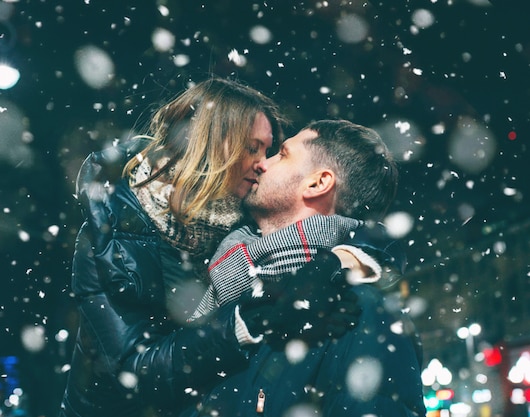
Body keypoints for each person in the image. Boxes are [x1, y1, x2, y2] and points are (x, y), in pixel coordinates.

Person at [59, 79, 364, 417]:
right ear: (211, 144)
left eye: (267, 150)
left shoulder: (243, 226)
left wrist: (348, 258)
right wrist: (245, 324)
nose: (263, 163)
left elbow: (340, 226)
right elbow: (131, 373)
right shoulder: (111, 233)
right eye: (252, 148)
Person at [184, 119, 426, 416]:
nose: (262, 164)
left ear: (317, 183)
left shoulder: (358, 312)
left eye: (282, 154)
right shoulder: (230, 291)